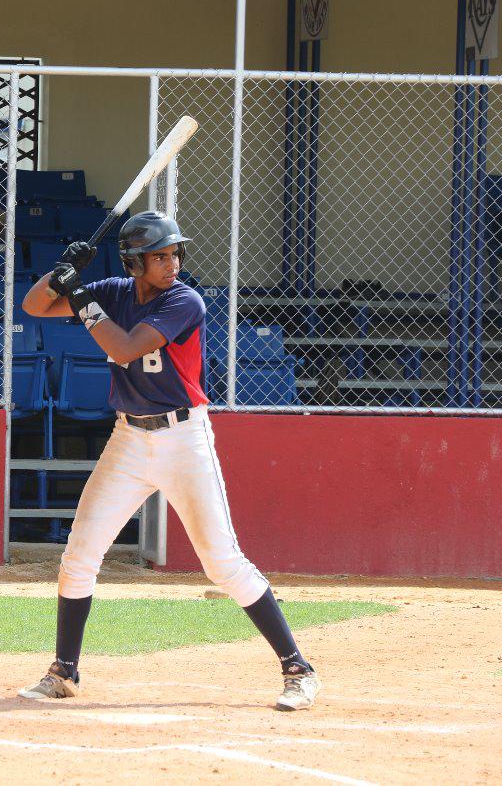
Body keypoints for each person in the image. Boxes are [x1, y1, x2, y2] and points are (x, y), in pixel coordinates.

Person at [16, 211, 320, 712]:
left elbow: (125, 347)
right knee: (78, 557)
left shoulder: (184, 300)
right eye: (158, 256)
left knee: (222, 563)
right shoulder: (116, 290)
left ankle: (298, 669)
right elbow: (34, 305)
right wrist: (61, 271)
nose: (171, 263)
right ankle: (64, 672)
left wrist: (82, 296)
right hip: (129, 439)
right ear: (135, 262)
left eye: (174, 253)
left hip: (184, 439)